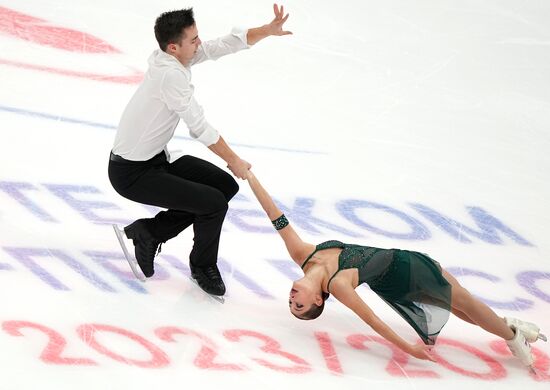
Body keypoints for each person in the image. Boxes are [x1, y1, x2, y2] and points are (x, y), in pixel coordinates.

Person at [245, 170, 545, 368]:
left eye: (291, 302)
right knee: (464, 302)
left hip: (404, 259)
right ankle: (513, 335)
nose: (292, 298)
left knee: (461, 306)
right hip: (405, 276)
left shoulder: (303, 254)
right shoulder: (337, 286)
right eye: (299, 305)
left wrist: (249, 175)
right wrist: (407, 348)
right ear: (318, 300)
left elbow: (275, 215)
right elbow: (373, 321)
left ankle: (511, 327)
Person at [108, 5, 292, 297]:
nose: (199, 44)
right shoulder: (170, 76)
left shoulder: (173, 58)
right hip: (132, 173)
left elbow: (221, 46)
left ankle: (150, 233)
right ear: (173, 46)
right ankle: (202, 266)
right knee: (213, 204)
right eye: (193, 40)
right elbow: (200, 127)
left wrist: (266, 31)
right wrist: (234, 160)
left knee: (224, 187)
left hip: (156, 159)